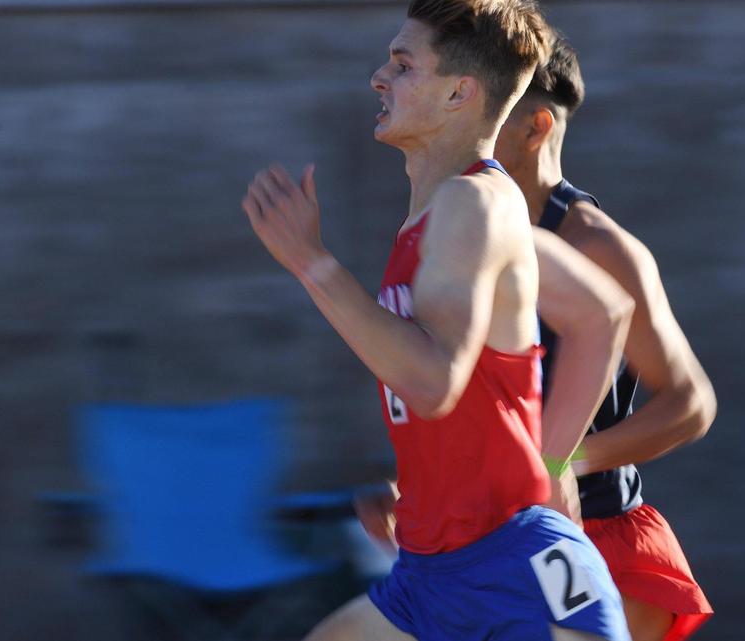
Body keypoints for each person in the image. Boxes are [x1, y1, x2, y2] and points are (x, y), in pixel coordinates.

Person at [242, 2, 634, 639]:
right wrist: (547, 464)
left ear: (459, 92)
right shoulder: (467, 206)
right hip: (432, 569)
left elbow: (433, 381)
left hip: (513, 570)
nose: (378, 77)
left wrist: (313, 265)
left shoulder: (469, 203)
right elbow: (599, 314)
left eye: (402, 65)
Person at [492, 35, 718, 641]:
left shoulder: (599, 247)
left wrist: (564, 461)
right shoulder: (466, 232)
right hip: (493, 538)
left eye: (487, 111)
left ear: (535, 126)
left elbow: (690, 403)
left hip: (597, 542)